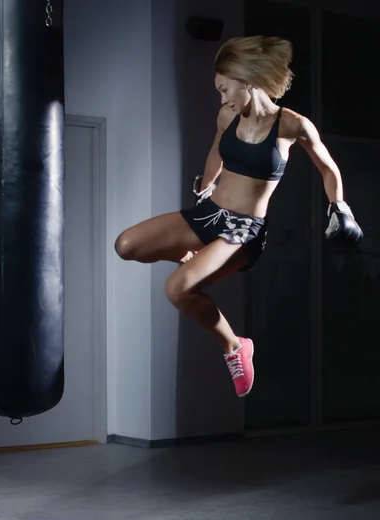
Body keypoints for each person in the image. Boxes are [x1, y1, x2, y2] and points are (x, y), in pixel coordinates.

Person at [114, 35, 363, 398]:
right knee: (127, 244)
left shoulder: (292, 125)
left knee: (177, 289)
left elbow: (328, 169)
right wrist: (205, 185)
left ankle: (234, 347)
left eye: (225, 89)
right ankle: (190, 258)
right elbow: (217, 153)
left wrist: (339, 207)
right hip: (210, 213)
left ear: (247, 81)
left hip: (243, 230)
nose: (223, 98)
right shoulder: (227, 115)